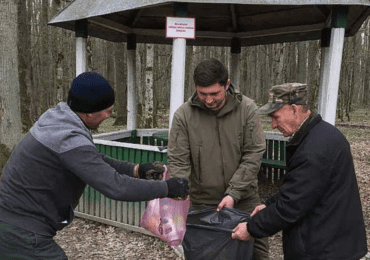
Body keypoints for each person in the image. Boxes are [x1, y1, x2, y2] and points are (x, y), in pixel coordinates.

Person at [0, 71, 189, 259]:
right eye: (106, 110)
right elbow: (116, 187)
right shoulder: (67, 137)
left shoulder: (59, 120)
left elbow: (94, 159)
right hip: (19, 229)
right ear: (89, 112)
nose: (109, 114)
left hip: (11, 221)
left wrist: (136, 170)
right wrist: (167, 188)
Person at [232, 83, 368, 260]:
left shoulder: (315, 149)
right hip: (333, 242)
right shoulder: (321, 134)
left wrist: (251, 228)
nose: (273, 125)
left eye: (275, 117)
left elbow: (292, 205)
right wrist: (269, 205)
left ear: (295, 109)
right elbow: (300, 189)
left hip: (325, 250)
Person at [167, 58, 269, 260]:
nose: (209, 100)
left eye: (215, 93)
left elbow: (253, 154)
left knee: (257, 254)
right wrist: (180, 194)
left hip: (244, 200)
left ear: (227, 85)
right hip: (202, 203)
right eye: (202, 94)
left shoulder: (247, 109)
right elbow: (178, 160)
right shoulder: (183, 115)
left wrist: (233, 193)